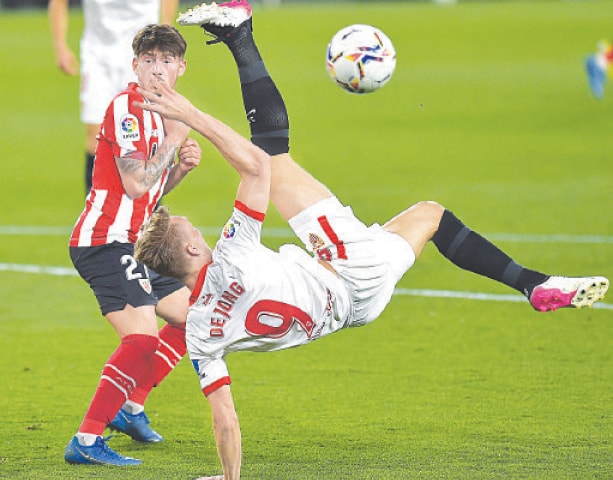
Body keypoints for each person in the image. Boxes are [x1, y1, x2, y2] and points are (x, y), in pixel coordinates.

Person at [134, 2, 610, 478]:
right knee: (272, 157)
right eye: (192, 229)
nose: (198, 229)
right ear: (194, 250)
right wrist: (191, 114)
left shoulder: (198, 332)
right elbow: (255, 166)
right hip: (349, 268)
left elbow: (225, 418)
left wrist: (230, 477)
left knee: (431, 217)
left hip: (357, 308)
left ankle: (534, 284)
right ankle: (240, 35)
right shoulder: (231, 256)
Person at [64, 24, 202, 466]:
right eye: (149, 60)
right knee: (142, 341)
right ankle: (85, 442)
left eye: (166, 61)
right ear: (135, 66)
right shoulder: (127, 108)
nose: (157, 69)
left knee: (193, 319)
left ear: (181, 67)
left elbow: (152, 192)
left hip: (136, 242)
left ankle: (130, 407)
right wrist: (174, 142)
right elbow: (135, 183)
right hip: (104, 242)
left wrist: (179, 171)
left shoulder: (167, 112)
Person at [48, 0, 180, 194]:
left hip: (144, 57)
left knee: (147, 138)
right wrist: (60, 45)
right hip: (98, 58)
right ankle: (96, 212)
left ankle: (147, 215)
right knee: (96, 139)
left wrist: (166, 30)